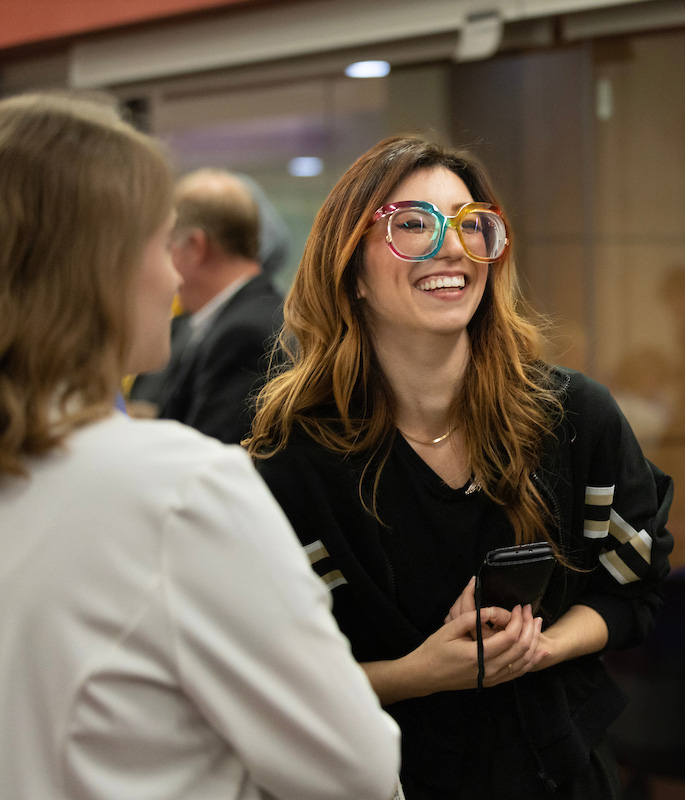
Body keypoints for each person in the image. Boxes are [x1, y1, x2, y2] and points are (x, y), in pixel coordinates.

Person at [0, 92, 404, 800]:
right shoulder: (179, 491)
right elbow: (355, 768)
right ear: (100, 269)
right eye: (160, 244)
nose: (173, 277)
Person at [247, 134, 674, 800]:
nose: (453, 248)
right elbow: (272, 684)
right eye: (413, 225)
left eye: (472, 224)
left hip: (557, 779)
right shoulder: (293, 462)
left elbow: (633, 590)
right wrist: (422, 672)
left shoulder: (574, 418)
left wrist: (540, 648)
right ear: (351, 271)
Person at [157, 168, 283, 443]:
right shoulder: (256, 314)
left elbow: (208, 450)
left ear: (196, 246)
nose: (165, 261)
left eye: (168, 246)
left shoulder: (244, 334)